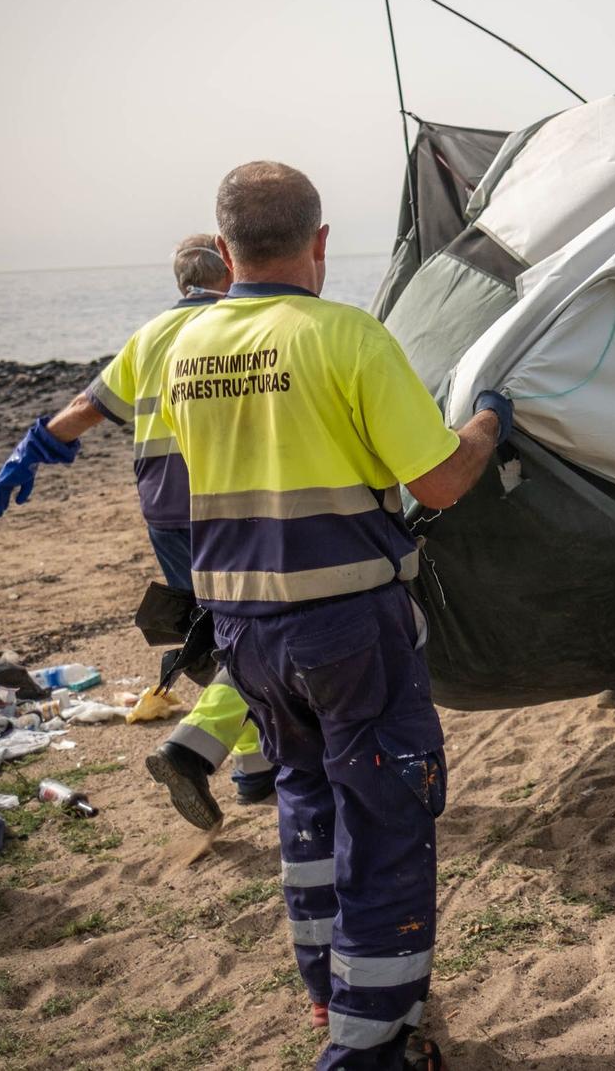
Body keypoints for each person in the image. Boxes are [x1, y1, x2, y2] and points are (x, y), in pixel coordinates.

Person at [161, 161, 507, 1071]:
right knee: (388, 820)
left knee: (306, 807)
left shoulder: (185, 349)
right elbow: (435, 480)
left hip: (247, 638)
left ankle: (330, 996)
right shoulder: (346, 336)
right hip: (348, 627)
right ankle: (368, 1051)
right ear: (320, 244)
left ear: (224, 246)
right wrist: (486, 427)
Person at [0, 236, 277, 825]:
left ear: (180, 284)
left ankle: (255, 768)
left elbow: (87, 408)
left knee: (218, 632)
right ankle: (201, 749)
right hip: (227, 501)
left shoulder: (147, 338)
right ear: (232, 270)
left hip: (165, 511)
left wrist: (33, 448)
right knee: (262, 628)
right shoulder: (234, 325)